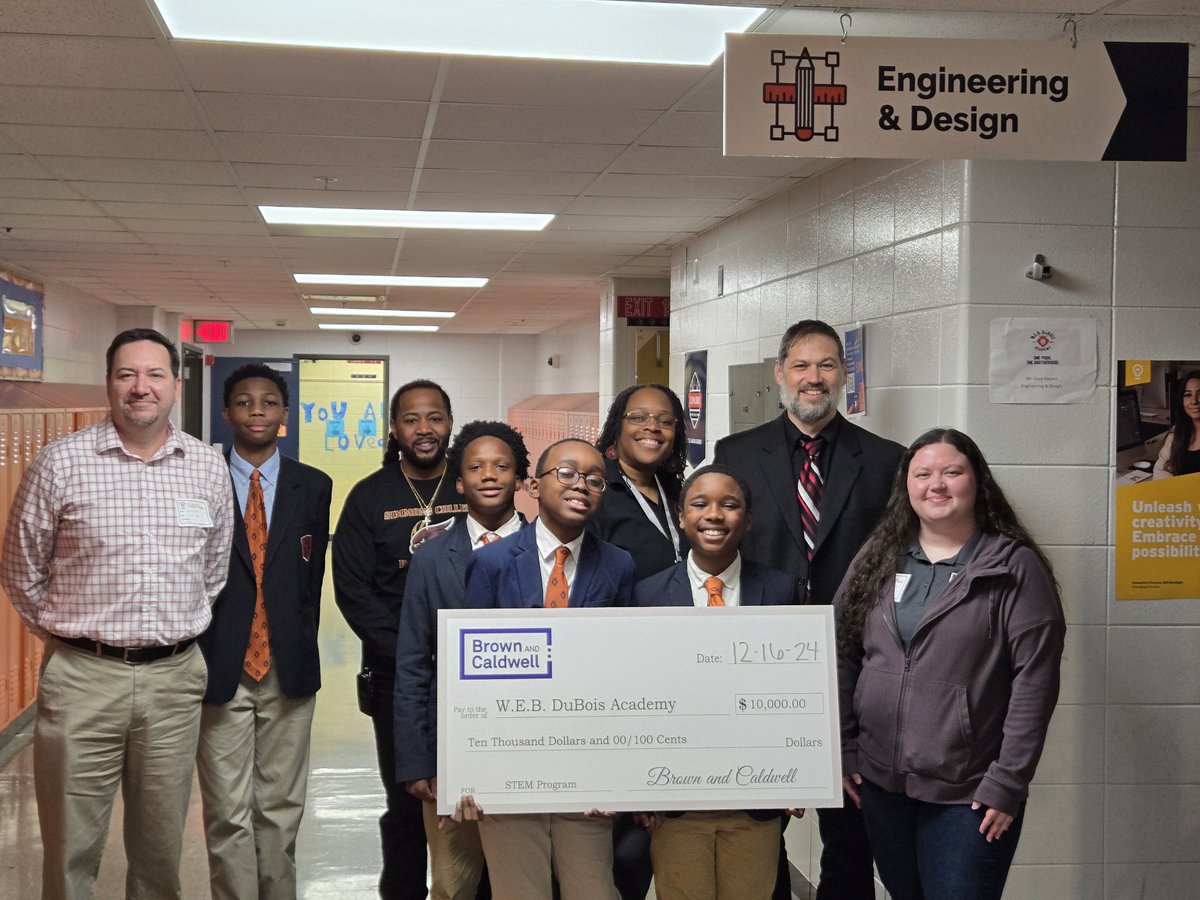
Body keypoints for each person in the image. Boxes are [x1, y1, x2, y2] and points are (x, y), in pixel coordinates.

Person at [0, 328, 234, 900]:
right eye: (127, 375)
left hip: (174, 680)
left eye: (154, 375)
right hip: (83, 679)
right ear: (109, 383)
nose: (140, 388)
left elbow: (213, 570)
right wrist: (74, 639)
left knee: (160, 852)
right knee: (70, 848)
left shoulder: (205, 467)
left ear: (176, 385)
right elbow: (20, 569)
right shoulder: (61, 463)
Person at [714, 319, 903, 900]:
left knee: (849, 825)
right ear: (779, 374)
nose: (813, 378)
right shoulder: (737, 454)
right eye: (801, 365)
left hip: (851, 665)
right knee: (759, 816)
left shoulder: (884, 458)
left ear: (843, 376)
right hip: (760, 660)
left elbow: (896, 560)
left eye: (825, 366)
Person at [835, 428, 1065, 900]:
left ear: (977, 481)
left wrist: (1008, 782)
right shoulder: (878, 557)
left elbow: (1034, 683)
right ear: (907, 487)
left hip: (969, 795)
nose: (936, 485)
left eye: (951, 472)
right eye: (922, 474)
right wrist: (844, 746)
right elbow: (840, 649)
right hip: (881, 786)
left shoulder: (1011, 567)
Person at [461, 437, 635, 900]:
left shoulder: (618, 567)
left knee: (593, 890)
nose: (582, 484)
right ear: (534, 485)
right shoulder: (491, 563)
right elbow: (467, 677)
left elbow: (624, 674)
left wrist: (618, 774)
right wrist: (466, 768)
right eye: (567, 473)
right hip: (508, 762)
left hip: (586, 765)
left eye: (595, 478)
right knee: (519, 892)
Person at [196, 363, 333, 900]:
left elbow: (309, 579)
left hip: (287, 666)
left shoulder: (313, 486)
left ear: (284, 414)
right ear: (226, 412)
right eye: (245, 402)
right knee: (227, 812)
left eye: (270, 402)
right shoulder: (200, 480)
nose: (257, 410)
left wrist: (298, 644)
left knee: (280, 808)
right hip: (218, 665)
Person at [631, 464, 799, 900]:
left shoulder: (782, 591)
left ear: (748, 518)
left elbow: (800, 691)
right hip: (674, 804)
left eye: (730, 505)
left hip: (755, 801)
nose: (714, 515)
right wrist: (638, 787)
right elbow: (634, 695)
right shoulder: (645, 596)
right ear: (681, 516)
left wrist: (804, 775)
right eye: (700, 504)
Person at [334, 379, 468, 899]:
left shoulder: (471, 483)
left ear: (450, 422)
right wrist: (414, 651)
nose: (424, 429)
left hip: (476, 673)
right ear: (394, 428)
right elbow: (353, 590)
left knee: (476, 799)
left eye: (434, 417)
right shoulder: (371, 496)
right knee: (408, 798)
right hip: (398, 678)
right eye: (411, 419)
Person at [395, 420, 532, 900]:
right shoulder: (432, 558)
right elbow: (413, 661)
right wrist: (417, 760)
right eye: (475, 467)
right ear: (459, 482)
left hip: (528, 749)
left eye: (502, 466)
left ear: (521, 480)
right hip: (450, 750)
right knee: (453, 885)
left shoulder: (547, 553)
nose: (489, 475)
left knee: (523, 883)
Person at [591, 383, 691, 900]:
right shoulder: (598, 493)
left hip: (683, 675)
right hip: (622, 679)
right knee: (624, 843)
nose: (653, 427)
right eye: (640, 417)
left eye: (666, 419)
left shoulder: (678, 491)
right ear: (617, 426)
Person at [1153, 369, 1200, 478]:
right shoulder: (1177, 432)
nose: (1194, 401)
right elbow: (1162, 469)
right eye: (1188, 395)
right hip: (1179, 495)